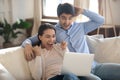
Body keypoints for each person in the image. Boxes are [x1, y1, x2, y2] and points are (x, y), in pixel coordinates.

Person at [22, 3, 120, 80]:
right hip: (78, 71)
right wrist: (27, 46)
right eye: (63, 18)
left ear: (73, 17)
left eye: (70, 18)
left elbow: (101, 20)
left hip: (94, 66)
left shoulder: (81, 27)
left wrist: (82, 11)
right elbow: (31, 40)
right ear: (58, 17)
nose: (67, 22)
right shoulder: (53, 32)